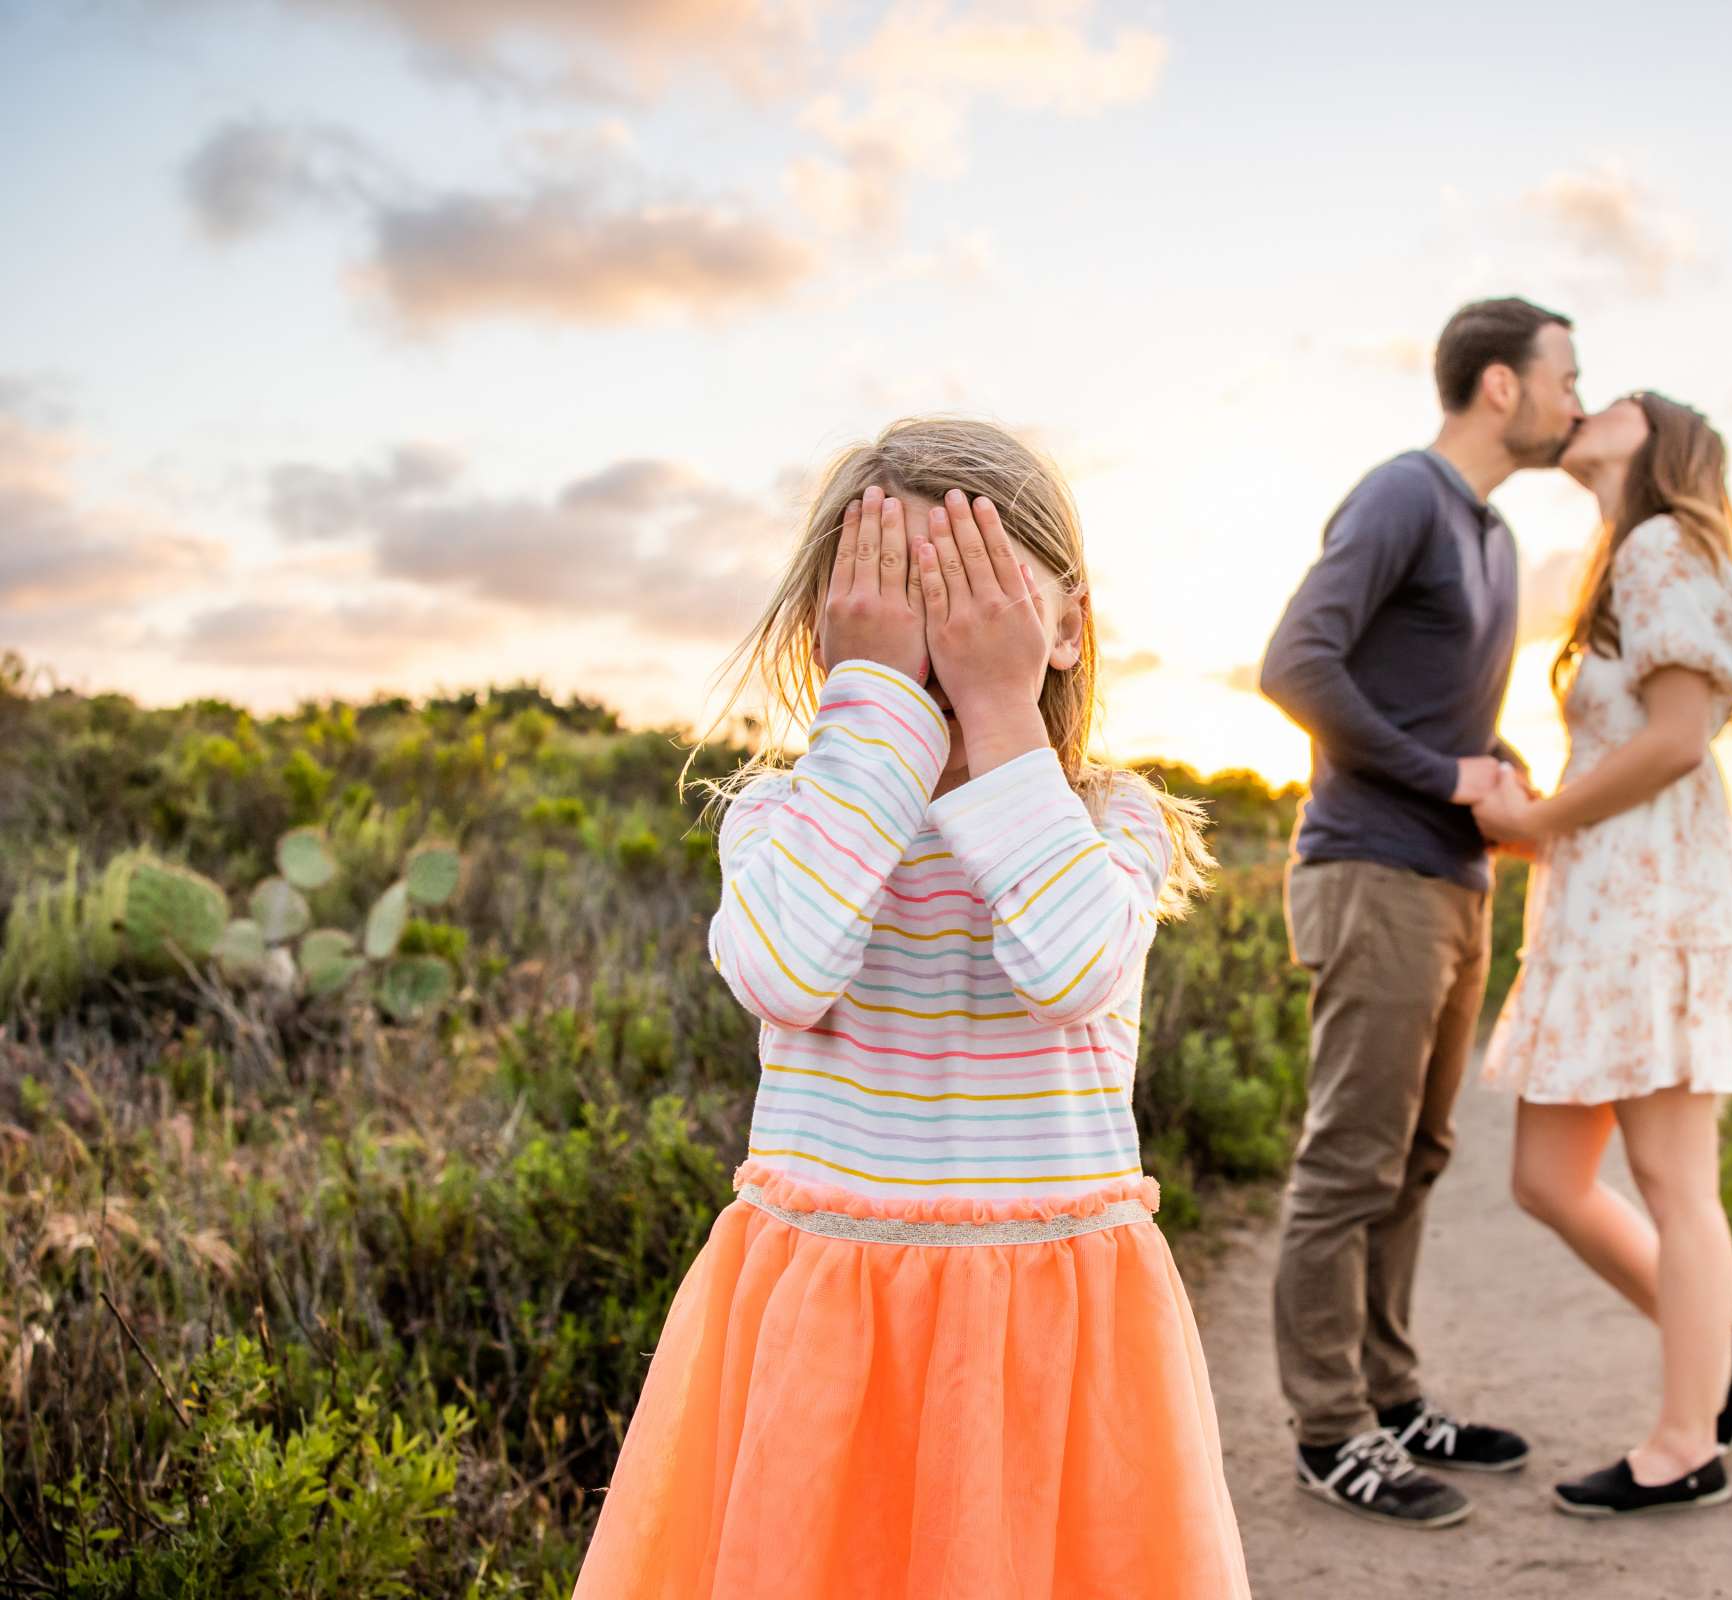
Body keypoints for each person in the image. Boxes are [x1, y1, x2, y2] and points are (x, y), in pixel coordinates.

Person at [573, 419, 1249, 1598]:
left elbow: (1073, 963)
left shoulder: (1105, 821)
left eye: (979, 595)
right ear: (828, 630)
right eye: (897, 597)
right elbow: (784, 967)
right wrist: (879, 719)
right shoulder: (784, 819)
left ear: (1067, 624)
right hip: (829, 1335)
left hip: (1051, 1339)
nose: (943, 633)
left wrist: (1000, 720)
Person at [1257, 296, 1584, 1529]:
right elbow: (1295, 662)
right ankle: (1329, 1431)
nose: (1575, 396)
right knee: (1349, 1160)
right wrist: (1450, 777)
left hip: (1455, 880)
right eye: (1566, 374)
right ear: (1499, 384)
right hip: (1371, 871)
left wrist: (1501, 770)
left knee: (1419, 1153)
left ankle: (1393, 1399)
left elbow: (1440, 714)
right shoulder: (1401, 493)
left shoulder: (1493, 539)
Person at [1472, 390, 1732, 1518]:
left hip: (1655, 910)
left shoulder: (1663, 542)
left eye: (1611, 400)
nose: (1584, 406)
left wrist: (1537, 820)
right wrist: (1535, 815)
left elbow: (1674, 739)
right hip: (1603, 913)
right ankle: (1722, 1355)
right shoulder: (1627, 557)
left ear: (1657, 441)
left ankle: (1683, 1443)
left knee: (1672, 1179)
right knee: (1547, 1180)